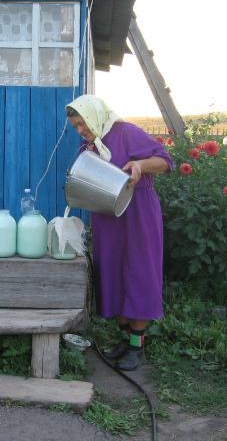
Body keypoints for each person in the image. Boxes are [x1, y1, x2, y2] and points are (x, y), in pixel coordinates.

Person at [65, 95, 173, 371]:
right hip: (108, 215)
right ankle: (125, 341)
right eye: (76, 127)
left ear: (94, 115)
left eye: (83, 123)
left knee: (139, 272)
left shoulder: (126, 133)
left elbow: (164, 160)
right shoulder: (89, 145)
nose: (81, 130)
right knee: (113, 273)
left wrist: (140, 166)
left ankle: (137, 347)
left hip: (138, 212)